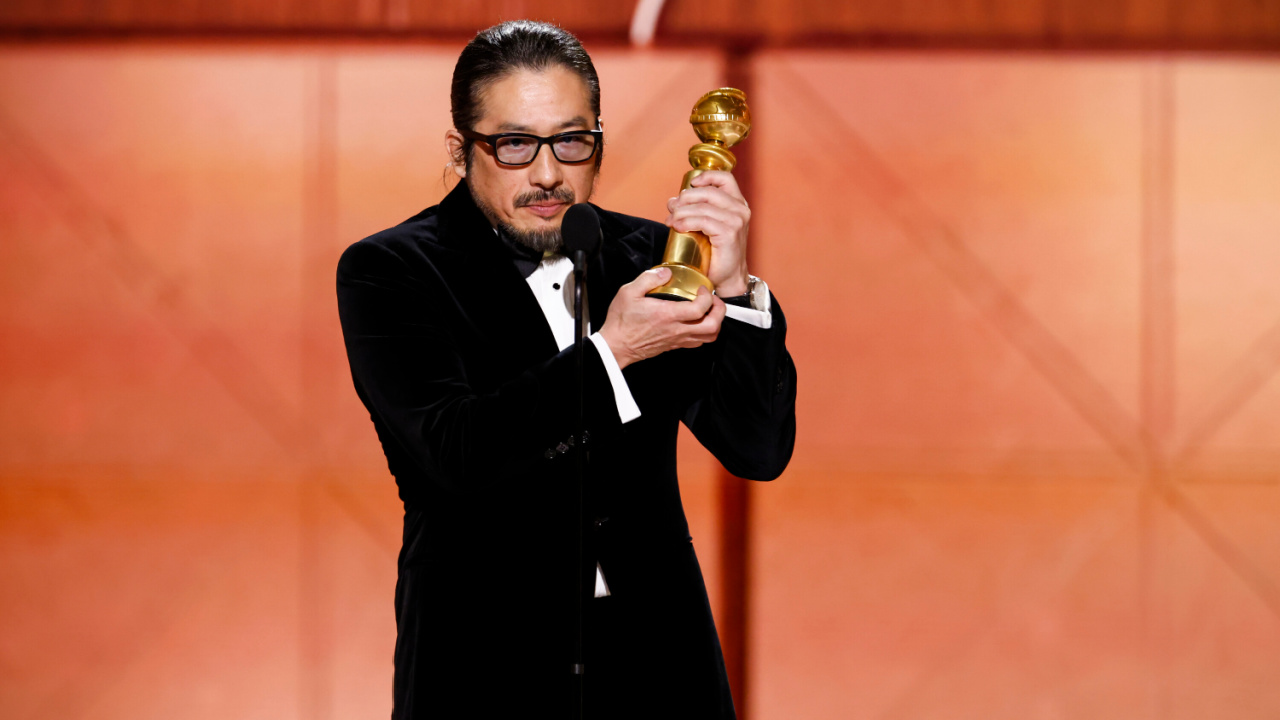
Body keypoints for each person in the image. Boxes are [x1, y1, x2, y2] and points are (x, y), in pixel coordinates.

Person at [336, 20, 796, 720]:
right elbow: (455, 453)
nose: (548, 174)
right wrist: (613, 355)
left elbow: (757, 449)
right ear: (462, 150)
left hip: (660, 667)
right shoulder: (391, 271)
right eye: (515, 144)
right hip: (485, 668)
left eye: (572, 142)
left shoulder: (652, 257)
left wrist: (734, 293)